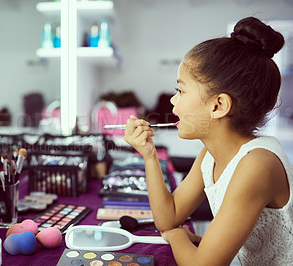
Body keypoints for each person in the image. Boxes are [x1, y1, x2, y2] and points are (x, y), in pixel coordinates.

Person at [124, 16, 292, 265]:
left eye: (181, 90)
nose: (172, 101)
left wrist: (178, 236)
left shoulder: (257, 165)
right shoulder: (210, 154)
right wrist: (148, 154)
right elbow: (168, 217)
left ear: (218, 105)